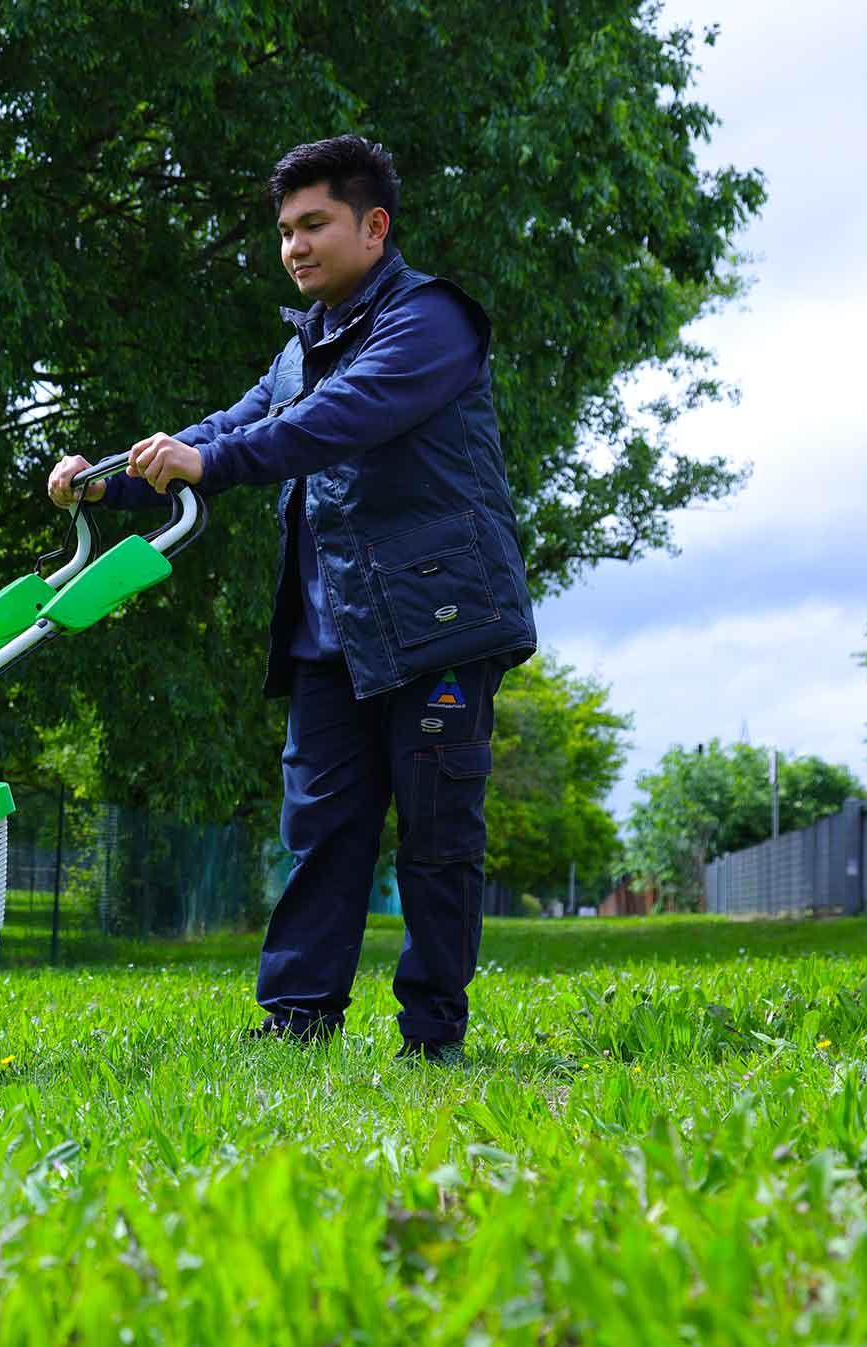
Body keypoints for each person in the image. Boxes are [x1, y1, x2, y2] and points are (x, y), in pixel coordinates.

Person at [46, 135, 536, 1063]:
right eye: (284, 230)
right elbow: (227, 428)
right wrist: (108, 480)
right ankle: (297, 1020)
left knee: (436, 837)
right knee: (319, 833)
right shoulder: (299, 348)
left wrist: (213, 459)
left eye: (315, 224)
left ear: (373, 226)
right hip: (330, 639)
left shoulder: (430, 322)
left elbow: (331, 423)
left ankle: (433, 1034)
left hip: (436, 624)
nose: (295, 246)